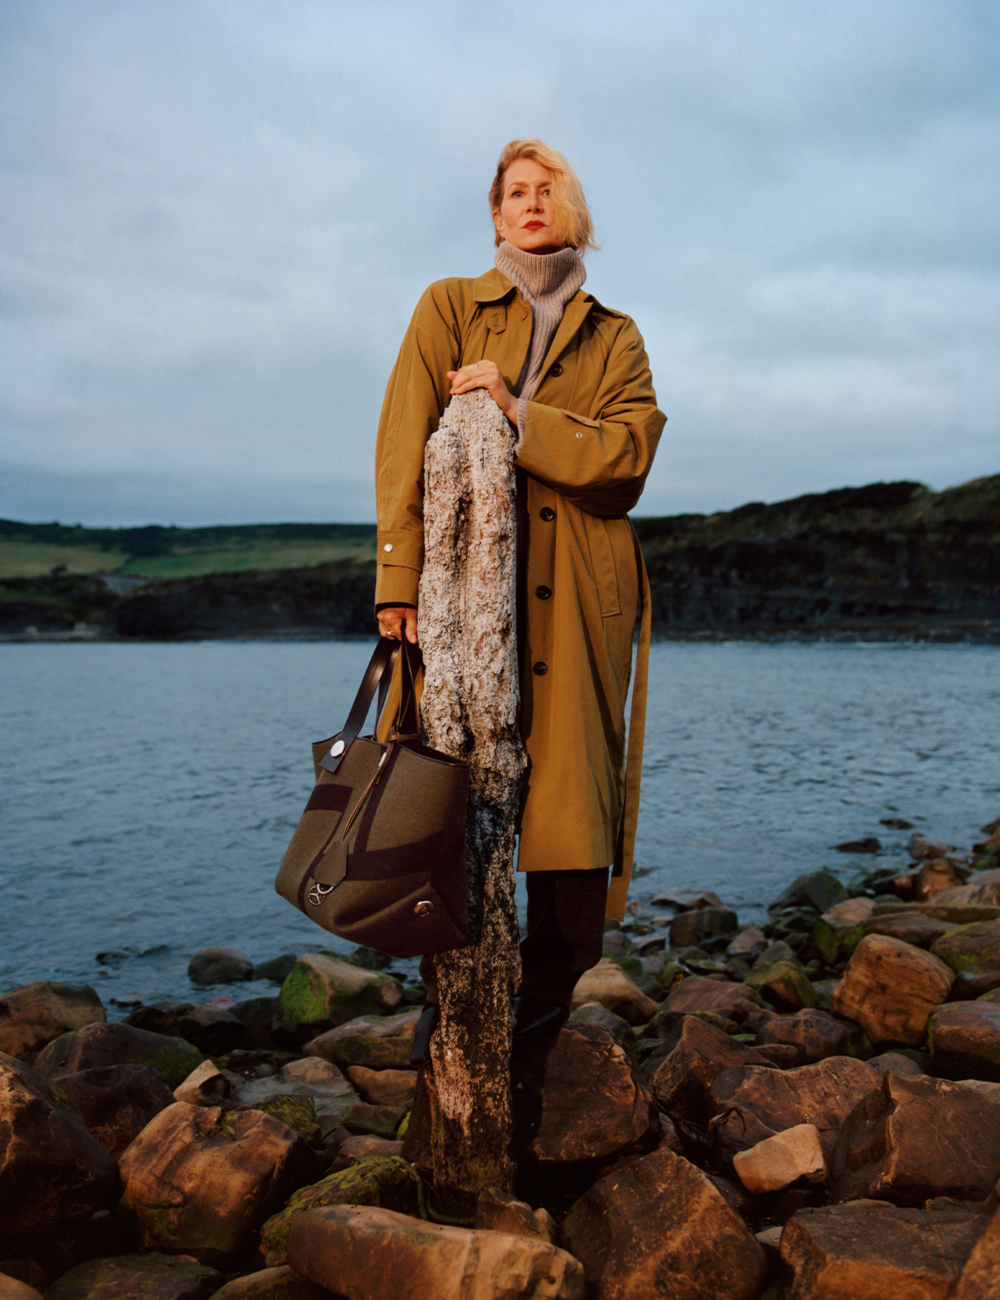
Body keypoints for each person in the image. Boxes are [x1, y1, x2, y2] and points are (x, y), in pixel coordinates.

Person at [374, 138, 666, 1049]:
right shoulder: (448, 306)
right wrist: (396, 580)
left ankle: (535, 1041)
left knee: (573, 822)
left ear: (574, 212)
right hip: (462, 590)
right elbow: (404, 438)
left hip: (580, 590)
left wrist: (518, 411)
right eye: (516, 192)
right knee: (444, 793)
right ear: (496, 214)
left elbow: (626, 459)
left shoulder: (615, 335)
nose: (533, 203)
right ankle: (449, 1024)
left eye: (550, 190)